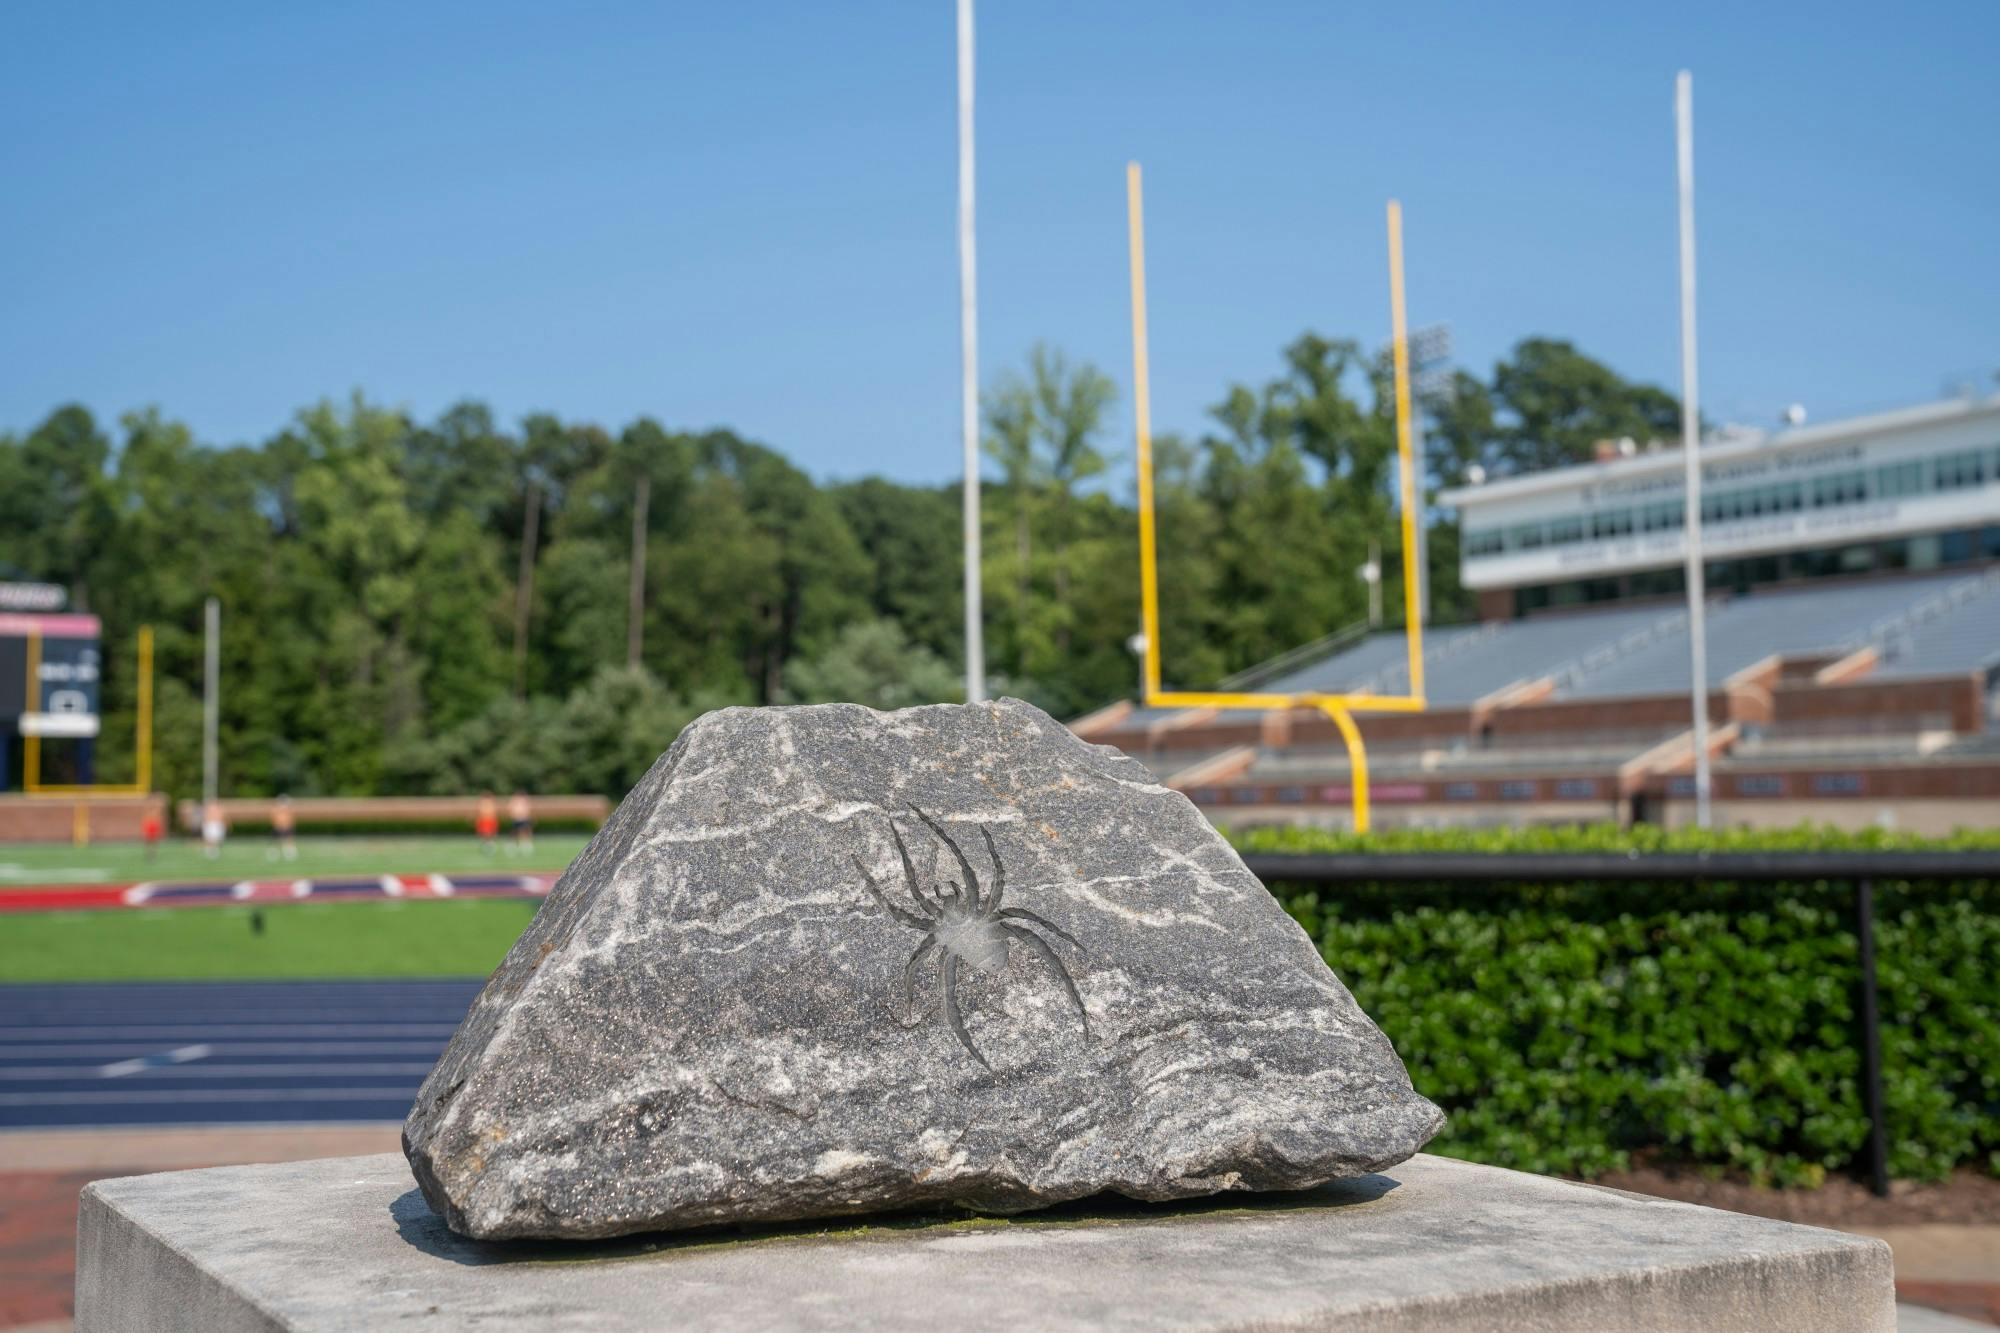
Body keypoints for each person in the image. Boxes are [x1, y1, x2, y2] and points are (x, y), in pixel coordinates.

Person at [270, 794, 298, 862]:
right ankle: (274, 854)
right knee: (276, 841)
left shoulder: (288, 810)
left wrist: (288, 825)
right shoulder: (276, 810)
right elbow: (275, 819)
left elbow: (291, 819)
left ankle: (289, 854)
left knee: (288, 841)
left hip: (286, 827)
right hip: (279, 827)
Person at [508, 789, 534, 856]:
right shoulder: (514, 800)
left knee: (524, 833)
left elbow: (528, 810)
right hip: (516, 819)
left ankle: (525, 846)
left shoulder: (525, 800)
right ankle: (513, 846)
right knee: (514, 834)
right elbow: (510, 808)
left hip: (523, 819)